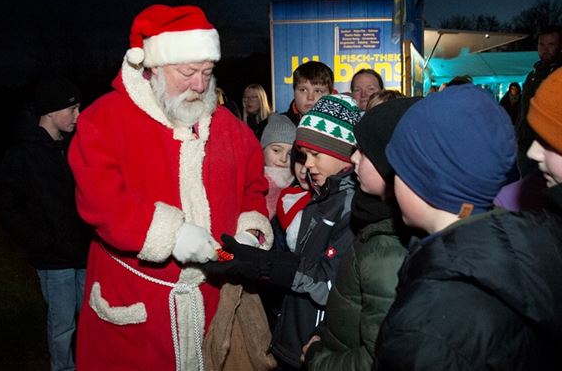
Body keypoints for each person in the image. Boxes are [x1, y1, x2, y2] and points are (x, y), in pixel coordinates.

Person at [67, 4, 273, 370]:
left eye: (207, 73)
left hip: (212, 302)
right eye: (188, 72)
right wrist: (170, 234)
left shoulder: (230, 128)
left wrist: (250, 230)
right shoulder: (104, 120)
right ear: (153, 68)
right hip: (136, 309)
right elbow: (100, 200)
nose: (200, 85)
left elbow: (253, 187)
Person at [371, 84, 560, 370]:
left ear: (428, 182)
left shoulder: (426, 325)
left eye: (399, 169)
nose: (392, 179)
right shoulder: (528, 246)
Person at [203, 94, 363, 370]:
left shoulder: (352, 208)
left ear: (343, 155)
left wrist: (262, 265)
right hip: (294, 340)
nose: (307, 165)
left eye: (316, 155)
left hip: (317, 348)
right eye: (304, 155)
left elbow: (329, 285)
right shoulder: (321, 197)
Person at [301, 97, 420, 371]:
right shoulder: (370, 216)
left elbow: (377, 357)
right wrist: (323, 332)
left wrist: (317, 359)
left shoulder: (389, 246)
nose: (352, 157)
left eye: (363, 152)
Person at [0, 76, 92, 371]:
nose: (78, 116)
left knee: (89, 321)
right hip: (53, 260)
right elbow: (9, 208)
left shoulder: (75, 147)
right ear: (50, 110)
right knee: (62, 326)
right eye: (72, 109)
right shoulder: (22, 155)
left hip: (84, 254)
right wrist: (41, 241)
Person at [516, 25, 562, 177]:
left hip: (549, 150)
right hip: (525, 147)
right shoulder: (532, 75)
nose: (545, 49)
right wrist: (518, 135)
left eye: (551, 44)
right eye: (541, 44)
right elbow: (524, 109)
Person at [255, 61, 334, 138]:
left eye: (318, 91)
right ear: (294, 91)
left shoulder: (341, 130)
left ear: (330, 94)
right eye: (303, 90)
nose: (310, 97)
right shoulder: (267, 128)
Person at [260, 113, 297, 219]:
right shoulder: (251, 181)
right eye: (276, 150)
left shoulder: (300, 184)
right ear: (263, 149)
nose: (283, 159)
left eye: (290, 153)